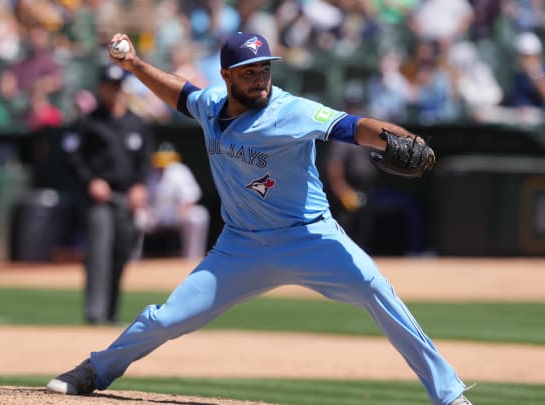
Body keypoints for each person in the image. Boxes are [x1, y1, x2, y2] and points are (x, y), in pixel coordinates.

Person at [46, 32, 472, 405]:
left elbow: (353, 126)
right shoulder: (213, 103)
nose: (260, 77)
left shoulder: (291, 111)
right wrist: (135, 64)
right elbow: (181, 94)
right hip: (241, 246)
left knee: (376, 289)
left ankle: (448, 395)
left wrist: (400, 138)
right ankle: (94, 371)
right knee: (167, 318)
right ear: (228, 75)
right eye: (249, 71)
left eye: (264, 68)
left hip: (309, 238)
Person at [62, 63, 154, 325]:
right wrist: (90, 181)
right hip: (99, 199)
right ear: (101, 88)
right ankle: (95, 313)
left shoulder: (136, 124)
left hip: (126, 197)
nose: (114, 91)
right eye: (109, 86)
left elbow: (145, 160)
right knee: (99, 250)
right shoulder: (88, 122)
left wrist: (140, 185)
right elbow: (72, 156)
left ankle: (111, 312)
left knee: (122, 251)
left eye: (118, 86)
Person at [135, 142, 210, 259]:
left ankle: (192, 258)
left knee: (198, 216)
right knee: (137, 218)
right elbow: (142, 198)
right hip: (155, 214)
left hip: (176, 213)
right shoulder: (149, 171)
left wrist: (182, 211)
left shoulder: (179, 171)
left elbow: (191, 196)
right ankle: (133, 261)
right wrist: (147, 210)